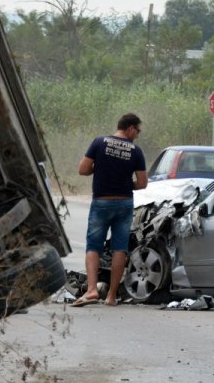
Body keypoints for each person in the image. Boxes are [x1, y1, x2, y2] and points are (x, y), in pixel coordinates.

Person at [73, 113, 147, 307]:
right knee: (119, 248)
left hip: (101, 203)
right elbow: (142, 183)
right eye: (137, 131)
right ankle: (112, 296)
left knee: (93, 246)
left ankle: (91, 290)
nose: (137, 135)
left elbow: (82, 169)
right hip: (124, 204)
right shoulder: (136, 151)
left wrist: (97, 169)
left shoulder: (99, 143)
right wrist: (124, 183)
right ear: (130, 128)